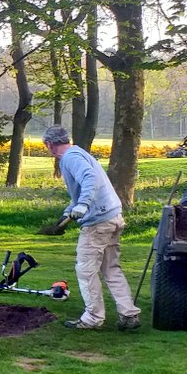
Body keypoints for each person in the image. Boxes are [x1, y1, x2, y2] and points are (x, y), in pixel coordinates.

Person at [42, 125, 141, 331]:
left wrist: (83, 205)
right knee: (111, 269)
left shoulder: (70, 158)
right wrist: (69, 211)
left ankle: (93, 318)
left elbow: (89, 179)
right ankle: (128, 314)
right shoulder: (79, 152)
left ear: (50, 145)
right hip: (113, 216)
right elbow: (82, 191)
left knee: (86, 270)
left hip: (98, 222)